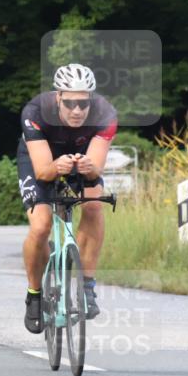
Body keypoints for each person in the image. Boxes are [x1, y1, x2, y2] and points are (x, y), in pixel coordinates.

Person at [18, 63, 117, 333]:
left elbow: (96, 167)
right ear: (58, 96)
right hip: (42, 158)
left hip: (80, 156)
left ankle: (87, 286)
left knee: (95, 206)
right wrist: (57, 167)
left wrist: (88, 168)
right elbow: (43, 171)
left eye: (83, 104)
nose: (77, 110)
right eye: (70, 102)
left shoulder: (105, 113)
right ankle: (34, 294)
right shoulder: (35, 112)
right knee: (40, 226)